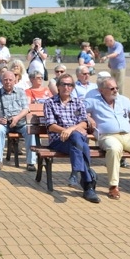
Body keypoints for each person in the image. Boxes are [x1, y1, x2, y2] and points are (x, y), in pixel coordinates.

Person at [43, 73, 100, 203]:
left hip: (75, 139)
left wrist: (71, 129)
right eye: (63, 84)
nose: (66, 87)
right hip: (58, 140)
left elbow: (84, 122)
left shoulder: (78, 102)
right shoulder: (50, 103)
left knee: (77, 141)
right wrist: (68, 130)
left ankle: (77, 174)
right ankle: (88, 184)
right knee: (82, 144)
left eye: (69, 85)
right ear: (58, 86)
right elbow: (51, 126)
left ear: (73, 87)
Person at [0, 70, 30, 170]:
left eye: (10, 80)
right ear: (2, 81)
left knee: (30, 131)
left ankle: (31, 162)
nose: (8, 82)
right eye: (5, 80)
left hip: (20, 123)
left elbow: (26, 109)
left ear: (14, 81)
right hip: (4, 123)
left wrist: (16, 118)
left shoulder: (21, 92)